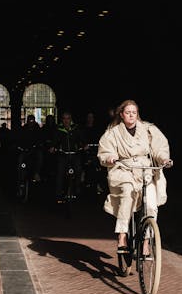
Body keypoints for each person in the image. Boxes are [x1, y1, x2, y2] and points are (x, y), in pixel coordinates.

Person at [97, 99, 172, 254]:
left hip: (145, 169)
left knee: (151, 204)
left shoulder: (148, 129)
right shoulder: (113, 132)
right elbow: (106, 150)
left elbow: (159, 147)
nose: (131, 115)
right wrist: (110, 157)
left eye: (134, 112)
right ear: (122, 115)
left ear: (137, 114)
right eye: (128, 112)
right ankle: (122, 234)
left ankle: (146, 242)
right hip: (123, 169)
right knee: (127, 193)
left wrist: (164, 159)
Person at [53, 111, 85, 206]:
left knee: (78, 170)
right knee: (60, 173)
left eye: (68, 118)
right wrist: (53, 147)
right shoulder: (59, 129)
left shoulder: (76, 129)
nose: (66, 120)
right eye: (64, 118)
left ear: (71, 119)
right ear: (62, 120)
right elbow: (55, 140)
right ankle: (58, 194)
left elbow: (81, 139)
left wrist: (84, 145)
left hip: (74, 154)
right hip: (63, 155)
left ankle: (77, 189)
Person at [16, 113, 43, 183]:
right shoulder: (23, 129)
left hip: (34, 150)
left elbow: (41, 139)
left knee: (40, 156)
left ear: (34, 121)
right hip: (25, 150)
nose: (31, 122)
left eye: (32, 121)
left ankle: (36, 173)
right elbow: (18, 138)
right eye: (29, 121)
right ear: (27, 121)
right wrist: (18, 145)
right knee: (20, 160)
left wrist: (38, 145)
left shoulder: (38, 129)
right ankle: (19, 178)